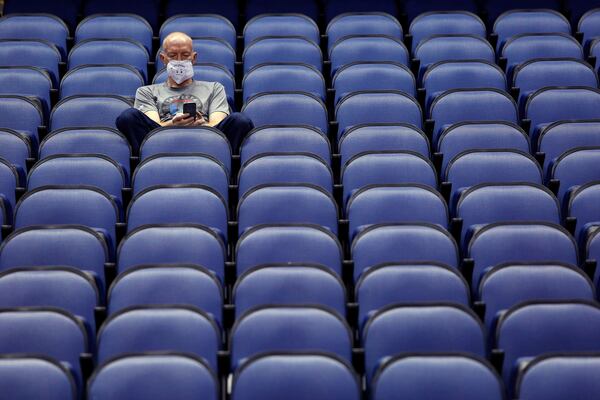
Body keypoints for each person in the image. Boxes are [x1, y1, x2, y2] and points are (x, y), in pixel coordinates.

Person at [116, 31, 253, 153]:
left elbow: (217, 123)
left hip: (206, 140)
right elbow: (154, 126)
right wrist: (174, 125)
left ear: (194, 58)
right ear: (163, 59)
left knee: (240, 120)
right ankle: (150, 156)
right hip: (162, 141)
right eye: (173, 56)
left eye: (185, 55)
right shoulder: (146, 91)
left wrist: (201, 125)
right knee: (128, 117)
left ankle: (219, 159)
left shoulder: (214, 87)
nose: (179, 61)